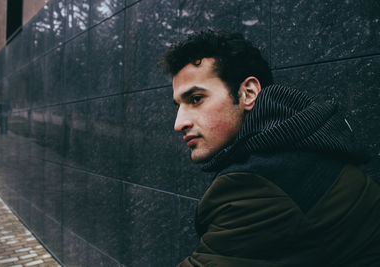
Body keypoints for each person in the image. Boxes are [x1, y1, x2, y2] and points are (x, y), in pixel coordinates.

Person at [159, 30, 380, 267]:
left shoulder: (258, 184)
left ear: (249, 93)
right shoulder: (302, 147)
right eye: (179, 105)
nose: (179, 123)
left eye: (196, 99)